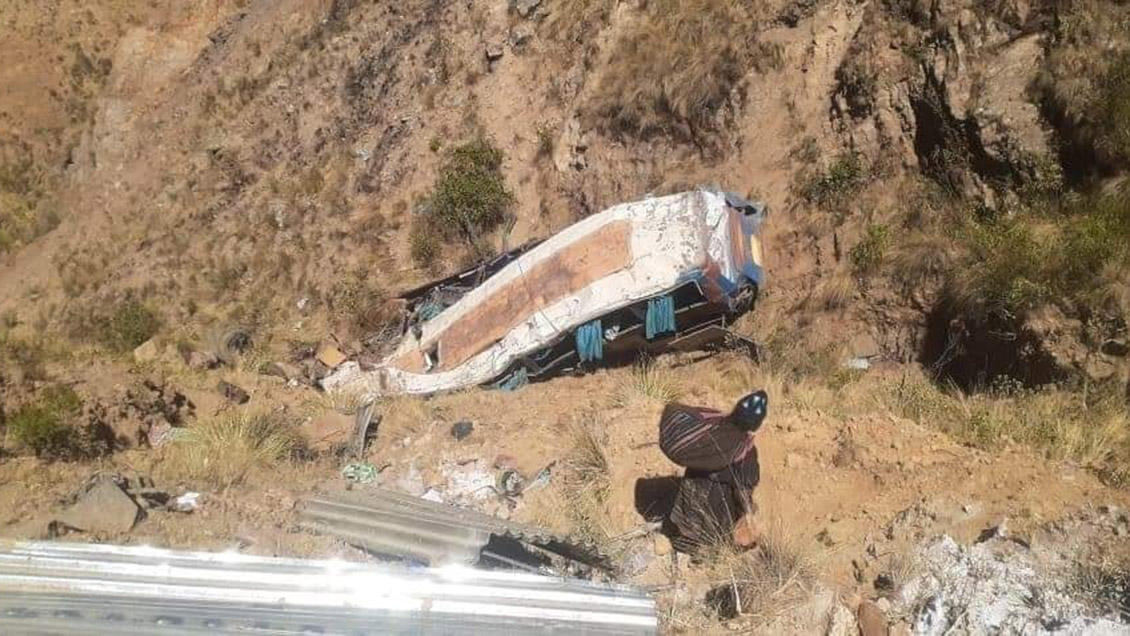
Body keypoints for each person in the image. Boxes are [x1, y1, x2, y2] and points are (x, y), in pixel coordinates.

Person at [658, 391, 768, 552]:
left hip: (689, 493)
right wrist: (748, 510)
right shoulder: (745, 449)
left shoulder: (711, 425)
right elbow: (745, 486)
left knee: (689, 525)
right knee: (722, 528)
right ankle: (707, 552)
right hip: (715, 503)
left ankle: (682, 540)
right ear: (756, 423)